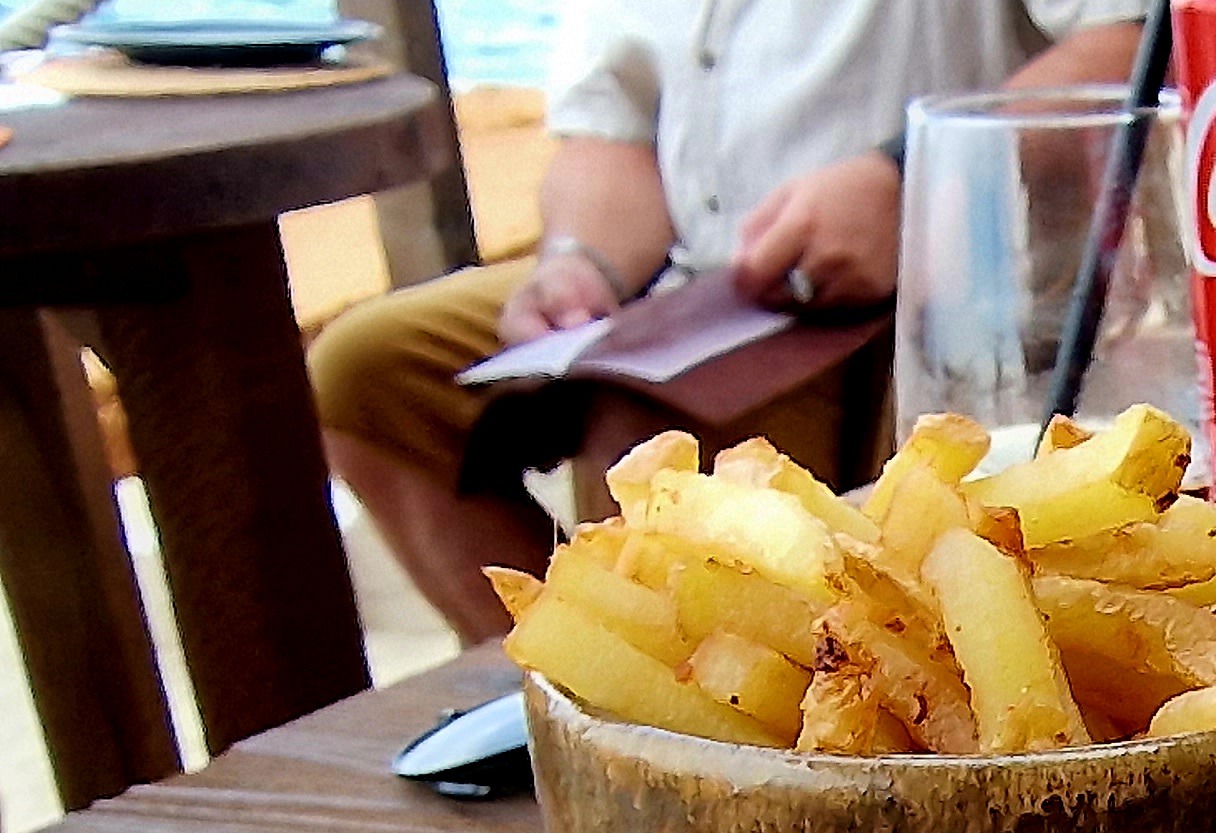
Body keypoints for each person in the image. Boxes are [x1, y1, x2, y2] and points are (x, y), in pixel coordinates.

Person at [317, 0, 1147, 640]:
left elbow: (1134, 41)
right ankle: (567, 707)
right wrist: (579, 262)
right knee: (367, 372)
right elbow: (609, 132)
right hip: (698, 284)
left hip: (948, 288)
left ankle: (695, 728)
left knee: (641, 434)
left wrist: (904, 181)